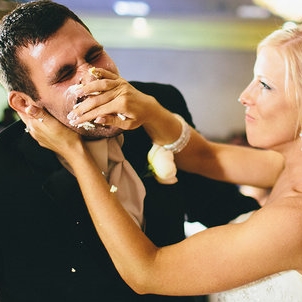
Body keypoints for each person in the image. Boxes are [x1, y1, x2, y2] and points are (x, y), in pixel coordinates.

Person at [21, 20, 302, 301]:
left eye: (265, 85)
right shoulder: (286, 168)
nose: (244, 96)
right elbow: (207, 156)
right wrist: (150, 110)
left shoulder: (294, 220)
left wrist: (76, 155)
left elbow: (148, 272)